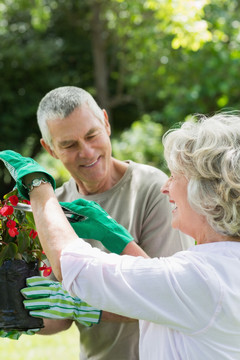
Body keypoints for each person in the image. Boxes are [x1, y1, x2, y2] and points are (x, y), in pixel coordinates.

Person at [5, 111, 240, 359]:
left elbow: (72, 264)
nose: (165, 186)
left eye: (175, 176)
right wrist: (121, 241)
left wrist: (38, 186)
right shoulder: (220, 269)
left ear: (206, 191)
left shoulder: (199, 277)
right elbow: (163, 293)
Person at [34, 86, 193, 359]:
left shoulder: (154, 190)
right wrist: (19, 313)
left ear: (106, 123)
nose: (86, 152)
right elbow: (58, 320)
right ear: (49, 148)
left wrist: (80, 304)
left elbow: (170, 298)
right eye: (69, 145)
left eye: (91, 135)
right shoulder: (53, 210)